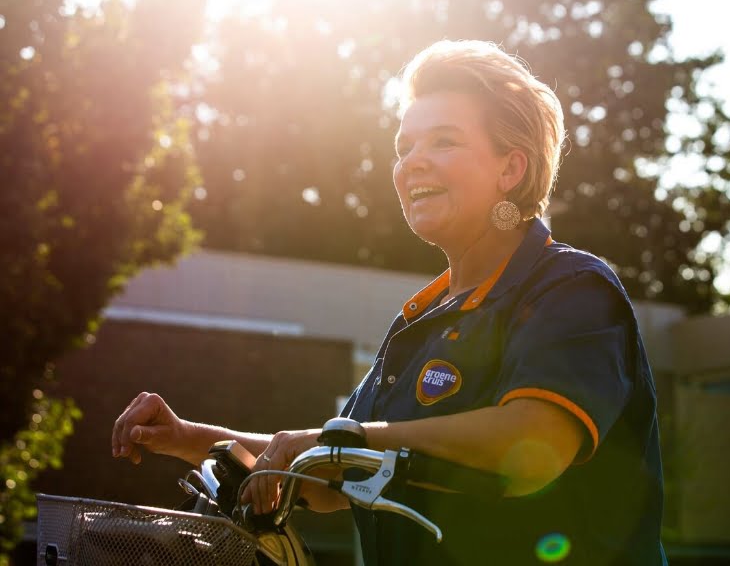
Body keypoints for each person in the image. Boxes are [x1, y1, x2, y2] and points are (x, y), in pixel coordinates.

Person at [112, 39, 667, 565]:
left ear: (510, 168)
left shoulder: (572, 287)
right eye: (405, 147)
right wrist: (189, 438)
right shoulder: (419, 322)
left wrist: (346, 441)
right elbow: (326, 479)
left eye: (443, 141)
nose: (412, 163)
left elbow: (532, 446)